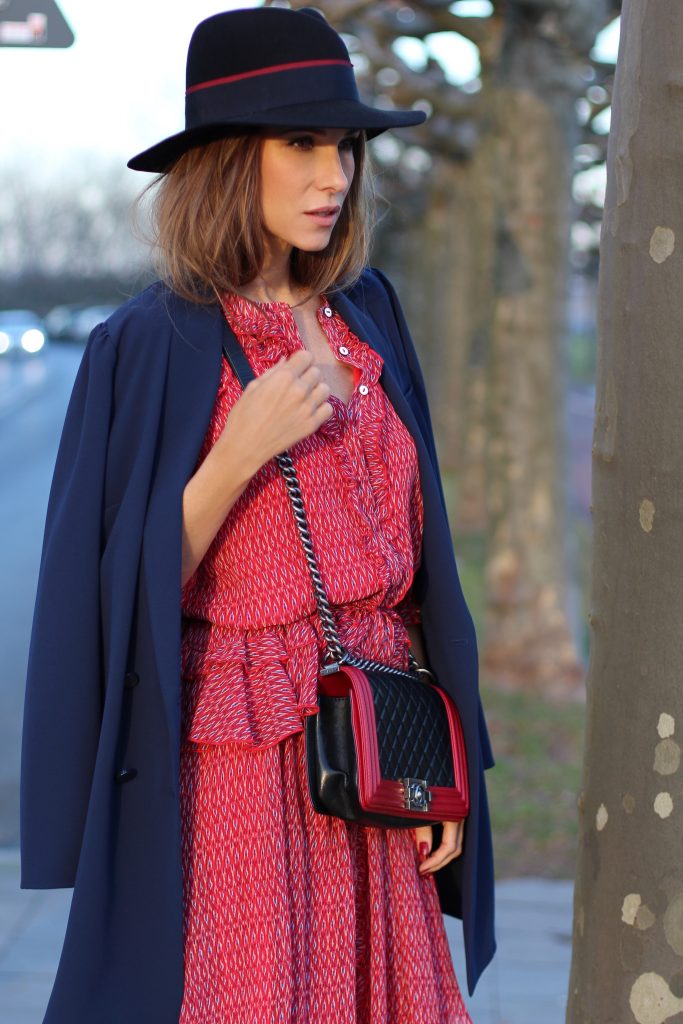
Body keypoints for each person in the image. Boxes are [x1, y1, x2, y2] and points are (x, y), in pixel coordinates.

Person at [19, 7, 496, 1023]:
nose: (334, 175)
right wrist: (235, 455)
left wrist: (437, 759)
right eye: (301, 144)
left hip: (373, 748)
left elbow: (416, 567)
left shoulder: (370, 312)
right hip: (241, 770)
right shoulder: (147, 343)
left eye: (344, 146)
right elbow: (103, 593)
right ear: (228, 160)